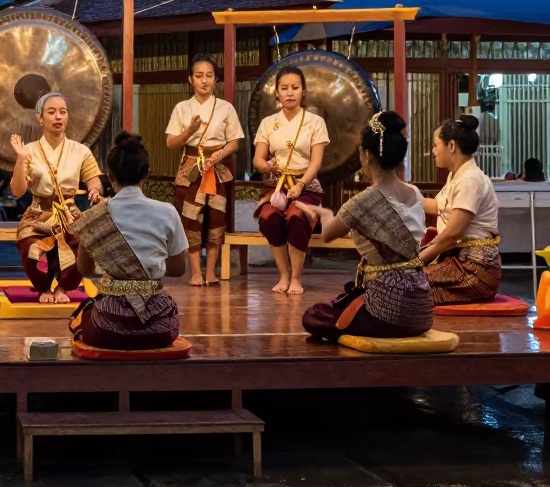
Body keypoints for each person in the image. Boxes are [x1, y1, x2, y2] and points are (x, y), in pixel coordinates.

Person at [300, 111, 433, 341]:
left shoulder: (361, 203)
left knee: (313, 316)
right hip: (421, 307)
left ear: (368, 156)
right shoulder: (415, 193)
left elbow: (328, 235)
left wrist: (324, 213)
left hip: (387, 310)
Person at [69, 132, 187, 350]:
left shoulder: (94, 216)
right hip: (159, 325)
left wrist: (115, 269)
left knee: (80, 318)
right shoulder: (168, 212)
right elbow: (179, 269)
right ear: (147, 174)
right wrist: (150, 266)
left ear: (109, 174)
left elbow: (84, 268)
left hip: (108, 326)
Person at [9, 92, 103, 303]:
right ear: (40, 118)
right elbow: (17, 191)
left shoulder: (81, 151)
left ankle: (63, 287)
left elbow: (93, 179)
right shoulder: (29, 150)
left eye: (63, 112)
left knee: (83, 244)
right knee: (30, 246)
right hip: (38, 215)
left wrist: (94, 190)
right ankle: (44, 288)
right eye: (51, 112)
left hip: (68, 213)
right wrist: (21, 159)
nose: (58, 117)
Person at [166, 54, 244, 287]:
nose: (204, 80)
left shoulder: (226, 108)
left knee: (216, 218)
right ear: (191, 79)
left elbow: (235, 142)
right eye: (199, 76)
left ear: (215, 79)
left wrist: (220, 154)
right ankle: (196, 272)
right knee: (190, 219)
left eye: (209, 75)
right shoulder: (182, 108)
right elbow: (171, 143)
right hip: (191, 167)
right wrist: (190, 130)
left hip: (217, 167)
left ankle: (211, 271)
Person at [253, 65, 329, 296]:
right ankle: (283, 275)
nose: (289, 92)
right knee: (269, 217)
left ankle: (296, 278)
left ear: (303, 91)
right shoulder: (268, 123)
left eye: (295, 88)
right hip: (275, 185)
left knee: (297, 215)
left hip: (306, 184)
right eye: (284, 88)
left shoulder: (315, 122)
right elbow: (258, 159)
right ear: (276, 92)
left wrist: (300, 185)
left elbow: (316, 163)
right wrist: (266, 165)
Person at [420, 115, 501, 304]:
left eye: (435, 145)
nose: (433, 151)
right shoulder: (457, 176)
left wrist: (417, 261)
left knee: (402, 285)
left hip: (474, 269)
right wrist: (398, 196)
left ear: (451, 146)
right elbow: (436, 206)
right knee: (395, 280)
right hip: (458, 261)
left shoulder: (470, 180)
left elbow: (451, 235)